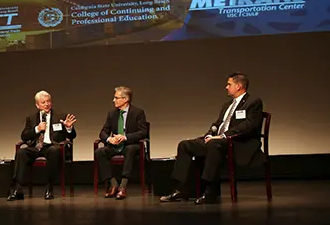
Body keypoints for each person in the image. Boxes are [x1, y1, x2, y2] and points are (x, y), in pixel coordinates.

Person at [160, 72, 263, 204]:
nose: (226, 87)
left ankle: (210, 191)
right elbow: (217, 124)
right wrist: (210, 134)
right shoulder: (227, 105)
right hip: (219, 141)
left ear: (238, 86)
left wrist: (223, 136)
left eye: (229, 84)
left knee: (214, 145)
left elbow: (249, 125)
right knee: (185, 145)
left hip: (238, 143)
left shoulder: (253, 102)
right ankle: (181, 189)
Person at [7, 90, 77, 201]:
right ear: (37, 105)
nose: (46, 104)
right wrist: (37, 129)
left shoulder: (60, 116)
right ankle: (17, 189)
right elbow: (24, 136)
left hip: (51, 147)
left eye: (48, 101)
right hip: (36, 147)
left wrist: (68, 128)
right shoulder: (31, 118)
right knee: (21, 152)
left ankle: (49, 187)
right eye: (43, 102)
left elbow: (72, 136)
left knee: (53, 151)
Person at [95, 86, 149, 200]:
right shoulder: (112, 114)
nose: (113, 100)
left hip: (131, 144)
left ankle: (123, 186)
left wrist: (125, 137)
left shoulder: (138, 112)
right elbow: (103, 132)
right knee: (100, 152)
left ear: (125, 99)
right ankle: (113, 184)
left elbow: (143, 132)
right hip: (115, 146)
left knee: (130, 150)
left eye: (116, 98)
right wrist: (109, 139)